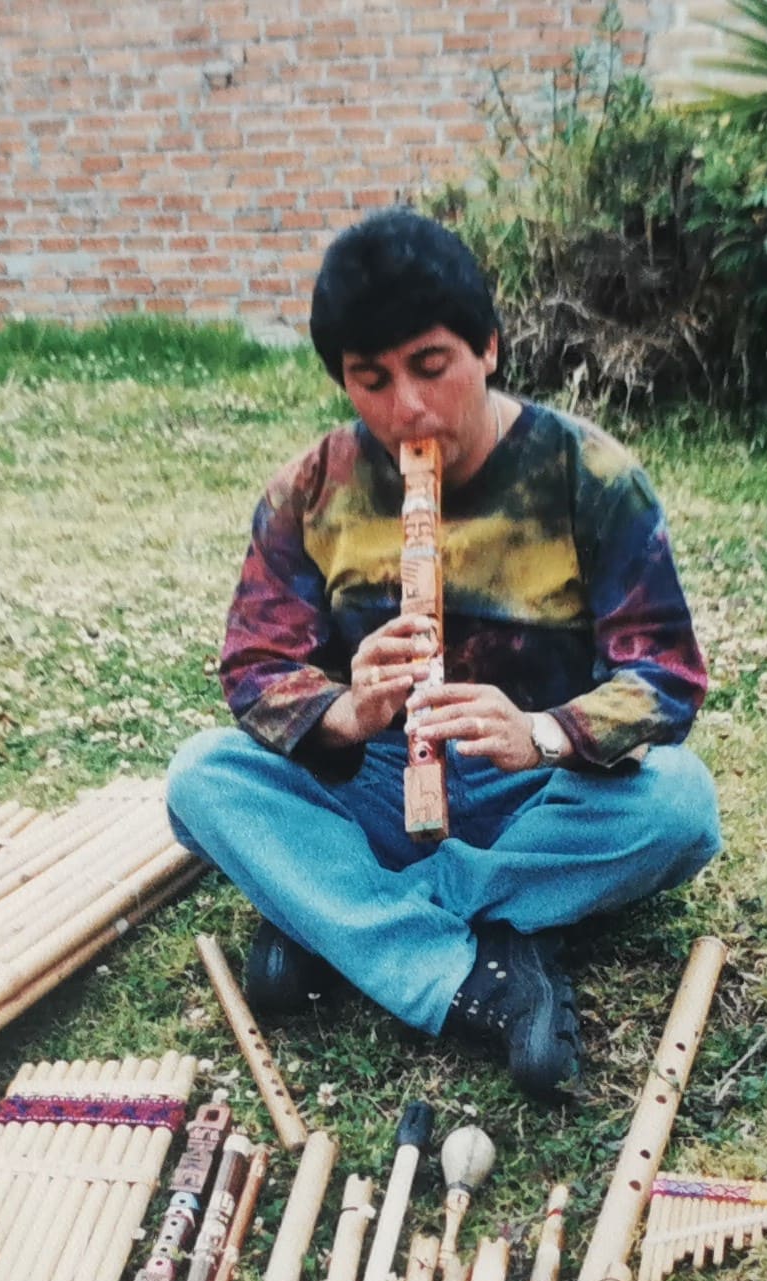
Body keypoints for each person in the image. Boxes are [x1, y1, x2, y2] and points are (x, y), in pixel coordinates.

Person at [166, 208, 720, 1097]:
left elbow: (667, 677)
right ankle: (469, 967)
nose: (408, 409)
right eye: (371, 380)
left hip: (534, 794)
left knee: (683, 806)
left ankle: (334, 917)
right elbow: (254, 668)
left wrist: (541, 732)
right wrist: (346, 711)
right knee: (202, 780)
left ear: (488, 348)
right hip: (380, 785)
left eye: (432, 367)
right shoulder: (310, 488)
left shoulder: (590, 474)